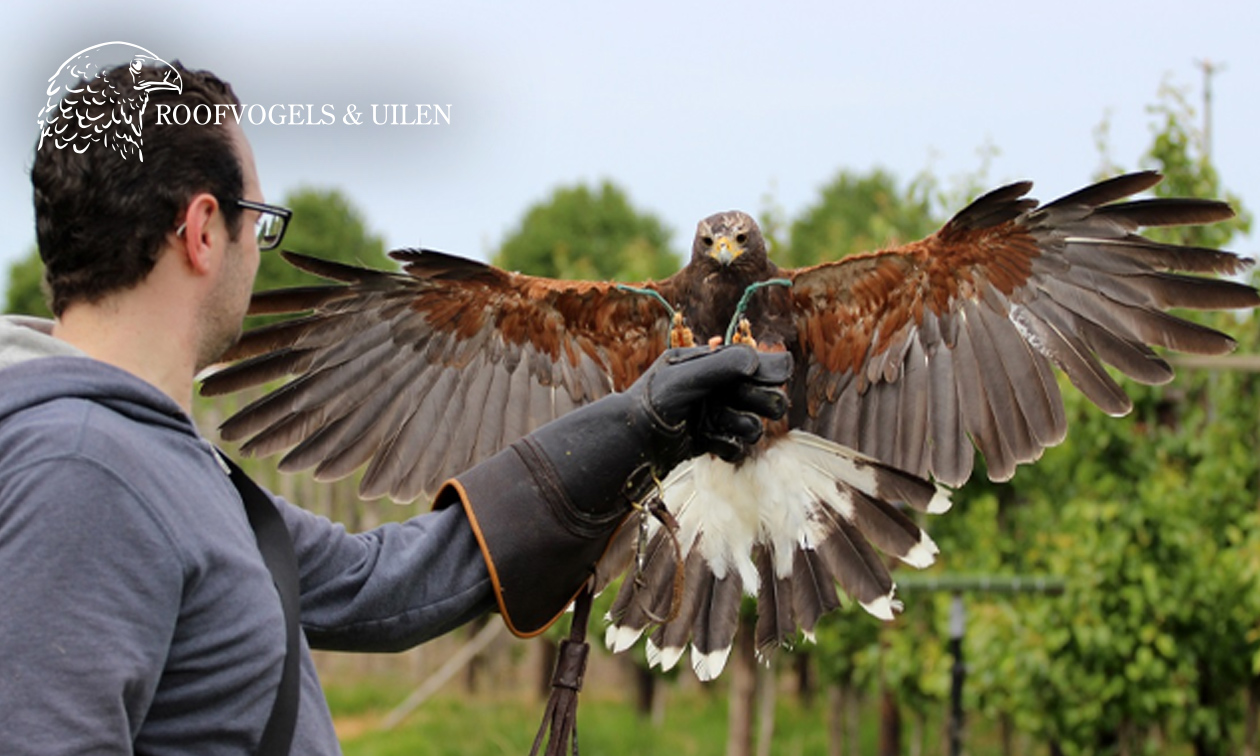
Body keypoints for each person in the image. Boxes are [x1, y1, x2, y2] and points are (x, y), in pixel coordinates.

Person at [0, 61, 790, 754]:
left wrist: (635, 429)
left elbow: (383, 585)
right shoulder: (81, 470)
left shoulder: (156, 464)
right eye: (260, 226)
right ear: (205, 230)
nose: (256, 253)